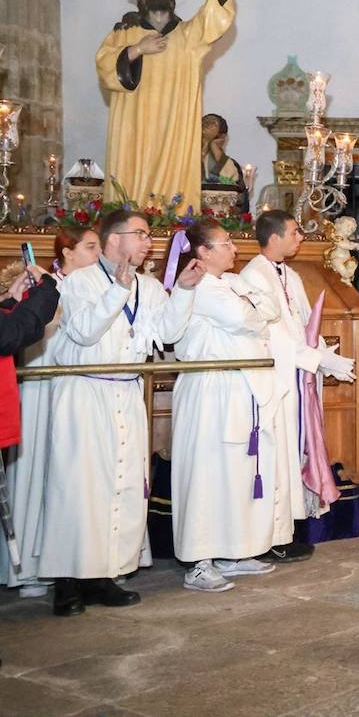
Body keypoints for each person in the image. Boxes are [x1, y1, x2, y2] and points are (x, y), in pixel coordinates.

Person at [38, 210, 204, 617]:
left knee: (122, 483)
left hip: (126, 392)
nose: (150, 242)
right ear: (114, 240)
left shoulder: (148, 285)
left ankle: (104, 575)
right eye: (142, 235)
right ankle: (66, 580)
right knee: (79, 486)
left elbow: (168, 335)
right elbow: (84, 332)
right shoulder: (80, 281)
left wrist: (181, 291)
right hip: (84, 391)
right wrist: (118, 289)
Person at [239, 210, 356, 564]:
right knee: (278, 458)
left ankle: (286, 530)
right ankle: (273, 536)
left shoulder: (289, 273)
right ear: (273, 238)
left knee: (293, 454)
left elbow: (305, 326)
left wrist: (323, 352)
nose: (300, 238)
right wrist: (319, 360)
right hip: (276, 380)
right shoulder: (253, 276)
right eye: (294, 232)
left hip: (297, 376)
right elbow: (274, 335)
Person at [171, 220, 281, 592]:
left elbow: (270, 309)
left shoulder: (230, 283)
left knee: (234, 472)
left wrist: (249, 307)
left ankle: (232, 550)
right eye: (227, 242)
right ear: (202, 252)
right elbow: (242, 317)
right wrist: (249, 311)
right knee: (207, 474)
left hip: (236, 387)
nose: (235, 249)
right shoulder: (199, 284)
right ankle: (198, 561)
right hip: (209, 389)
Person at [96, 0, 239, 210]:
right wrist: (137, 50)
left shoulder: (188, 36)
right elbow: (105, 66)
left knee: (173, 180)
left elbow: (212, 20)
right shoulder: (123, 34)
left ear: (172, 1)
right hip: (135, 126)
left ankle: (172, 217)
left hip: (175, 125)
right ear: (142, 1)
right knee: (133, 176)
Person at [4, 228, 98, 599]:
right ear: (66, 252)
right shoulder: (48, 285)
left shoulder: (92, 286)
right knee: (36, 472)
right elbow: (21, 330)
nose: (95, 254)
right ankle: (28, 566)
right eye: (89, 247)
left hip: (73, 389)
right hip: (41, 386)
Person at [201, 113, 252, 214]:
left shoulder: (229, 165)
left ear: (223, 139)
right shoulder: (188, 161)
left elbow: (240, 202)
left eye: (213, 139)